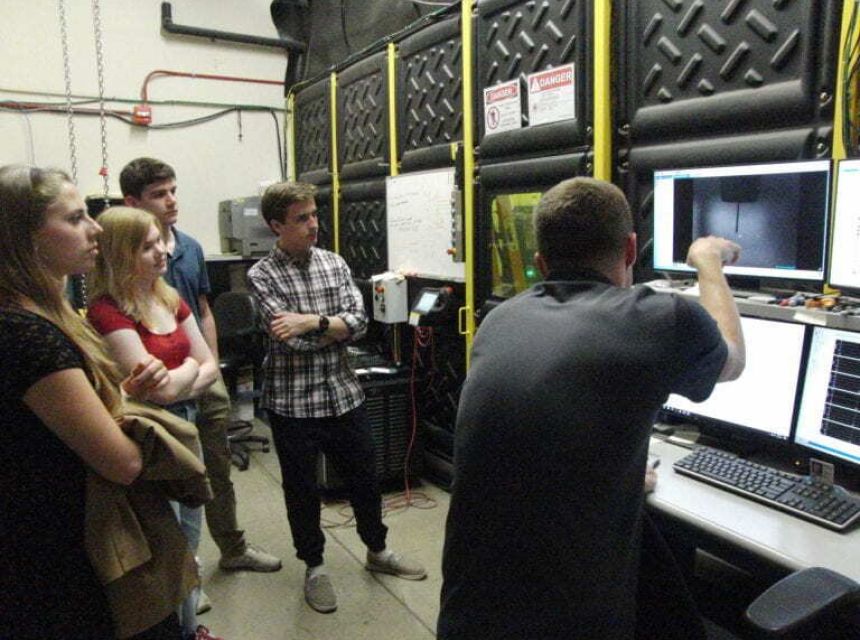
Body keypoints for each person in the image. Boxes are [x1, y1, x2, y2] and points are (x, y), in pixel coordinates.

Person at [437, 177, 745, 639]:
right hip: (568, 624)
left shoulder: (500, 320)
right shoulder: (659, 319)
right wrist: (708, 262)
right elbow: (732, 360)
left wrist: (610, 475)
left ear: (541, 262)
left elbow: (523, 440)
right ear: (630, 249)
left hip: (468, 615)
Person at [0, 165, 185, 639]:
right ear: (26, 237)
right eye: (76, 217)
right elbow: (122, 462)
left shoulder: (43, 316)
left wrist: (124, 394)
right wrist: (140, 416)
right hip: (60, 547)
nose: (95, 227)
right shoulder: (28, 336)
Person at [247, 181, 427, 614]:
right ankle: (314, 565)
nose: (314, 225)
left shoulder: (334, 262)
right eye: (302, 218)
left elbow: (361, 323)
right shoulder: (261, 275)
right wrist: (328, 328)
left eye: (314, 214)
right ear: (276, 225)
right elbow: (291, 342)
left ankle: (377, 551)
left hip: (344, 395)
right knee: (302, 490)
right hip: (293, 404)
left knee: (365, 478)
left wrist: (311, 320)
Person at [118, 159, 282, 596]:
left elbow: (203, 311)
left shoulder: (189, 247)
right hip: (162, 393)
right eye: (159, 194)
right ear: (132, 203)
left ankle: (232, 547)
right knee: (172, 481)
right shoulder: (124, 257)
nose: (171, 200)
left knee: (217, 467)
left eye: (173, 190)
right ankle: (185, 572)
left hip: (202, 378)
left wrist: (210, 370)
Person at [87, 206, 220, 640]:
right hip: (152, 439)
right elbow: (157, 393)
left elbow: (211, 366)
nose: (163, 251)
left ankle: (189, 627)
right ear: (121, 254)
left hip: (185, 428)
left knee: (191, 533)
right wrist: (187, 374)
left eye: (160, 239)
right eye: (147, 246)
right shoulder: (107, 311)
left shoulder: (166, 297)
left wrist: (177, 376)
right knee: (169, 545)